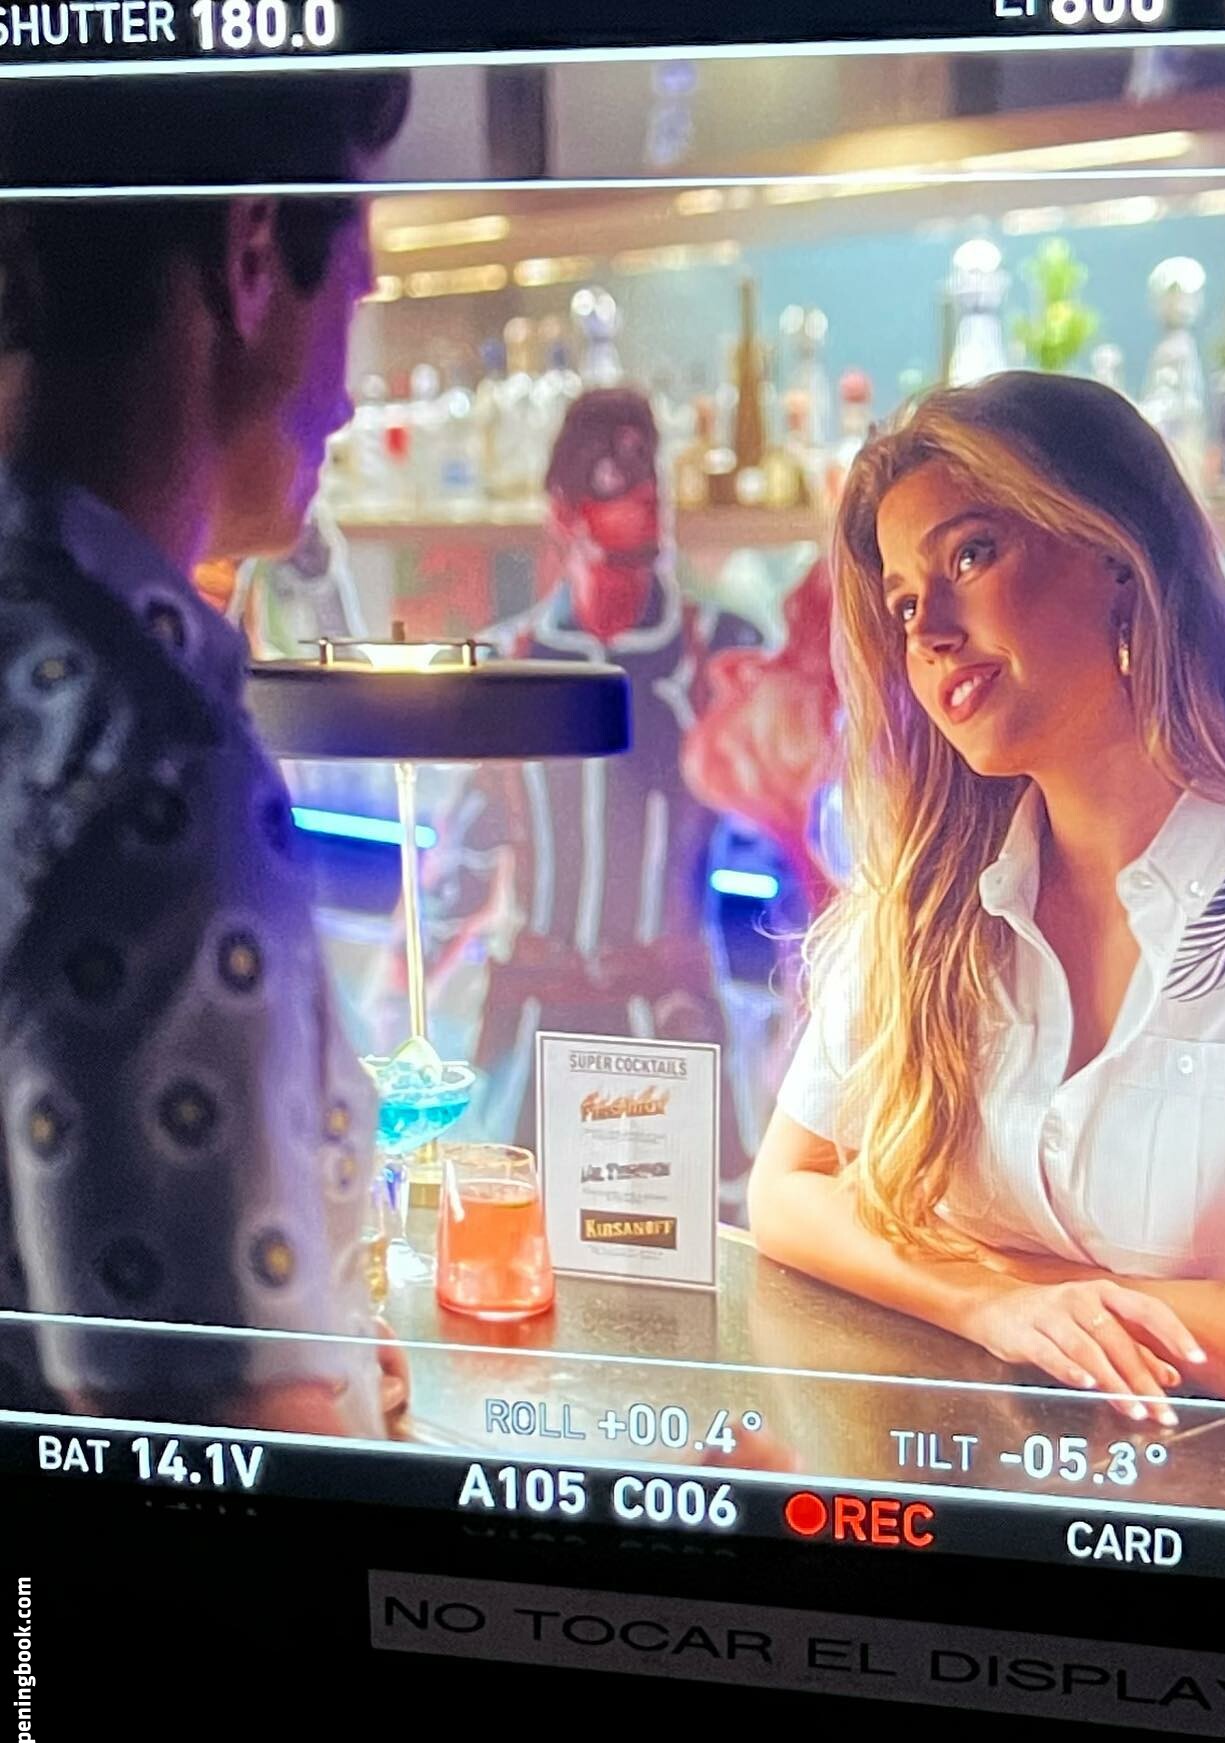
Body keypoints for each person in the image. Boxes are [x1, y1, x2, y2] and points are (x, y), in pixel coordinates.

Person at [750, 372, 1225, 1422]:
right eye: (902, 603)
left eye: (970, 555)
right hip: (980, 1462)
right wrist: (990, 1303)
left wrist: (997, 1278)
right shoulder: (931, 891)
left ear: (1117, 555)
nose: (928, 632)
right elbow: (785, 1194)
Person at [0, 73, 412, 1435]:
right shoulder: (160, 767)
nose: (346, 393)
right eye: (354, 289)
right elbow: (228, 1455)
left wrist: (316, 1336)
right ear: (252, 253)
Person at [424, 388, 761, 1191]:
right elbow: (466, 858)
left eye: (650, 476)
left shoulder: (720, 653)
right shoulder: (507, 661)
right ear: (563, 510)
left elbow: (792, 837)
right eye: (612, 478)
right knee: (521, 1230)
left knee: (686, 1237)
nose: (643, 498)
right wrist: (398, 1005)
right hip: (536, 1023)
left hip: (670, 1020)